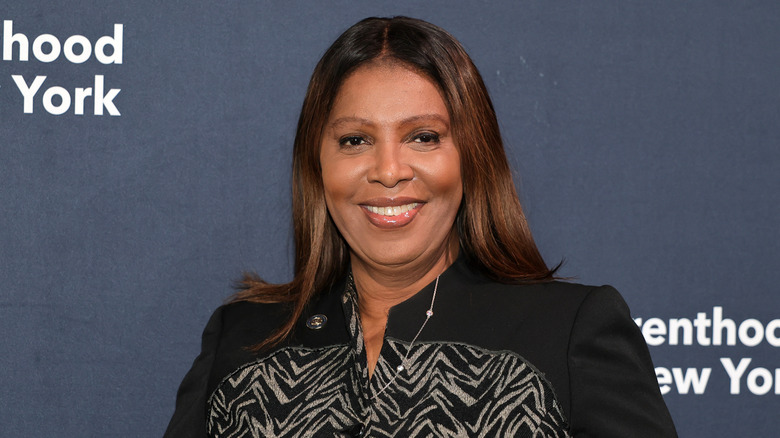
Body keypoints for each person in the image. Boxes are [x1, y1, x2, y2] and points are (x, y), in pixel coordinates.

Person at [164, 16, 677, 437]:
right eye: (355, 141)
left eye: (424, 137)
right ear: (316, 164)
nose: (389, 171)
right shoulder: (244, 339)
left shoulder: (567, 333)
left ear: (472, 157)